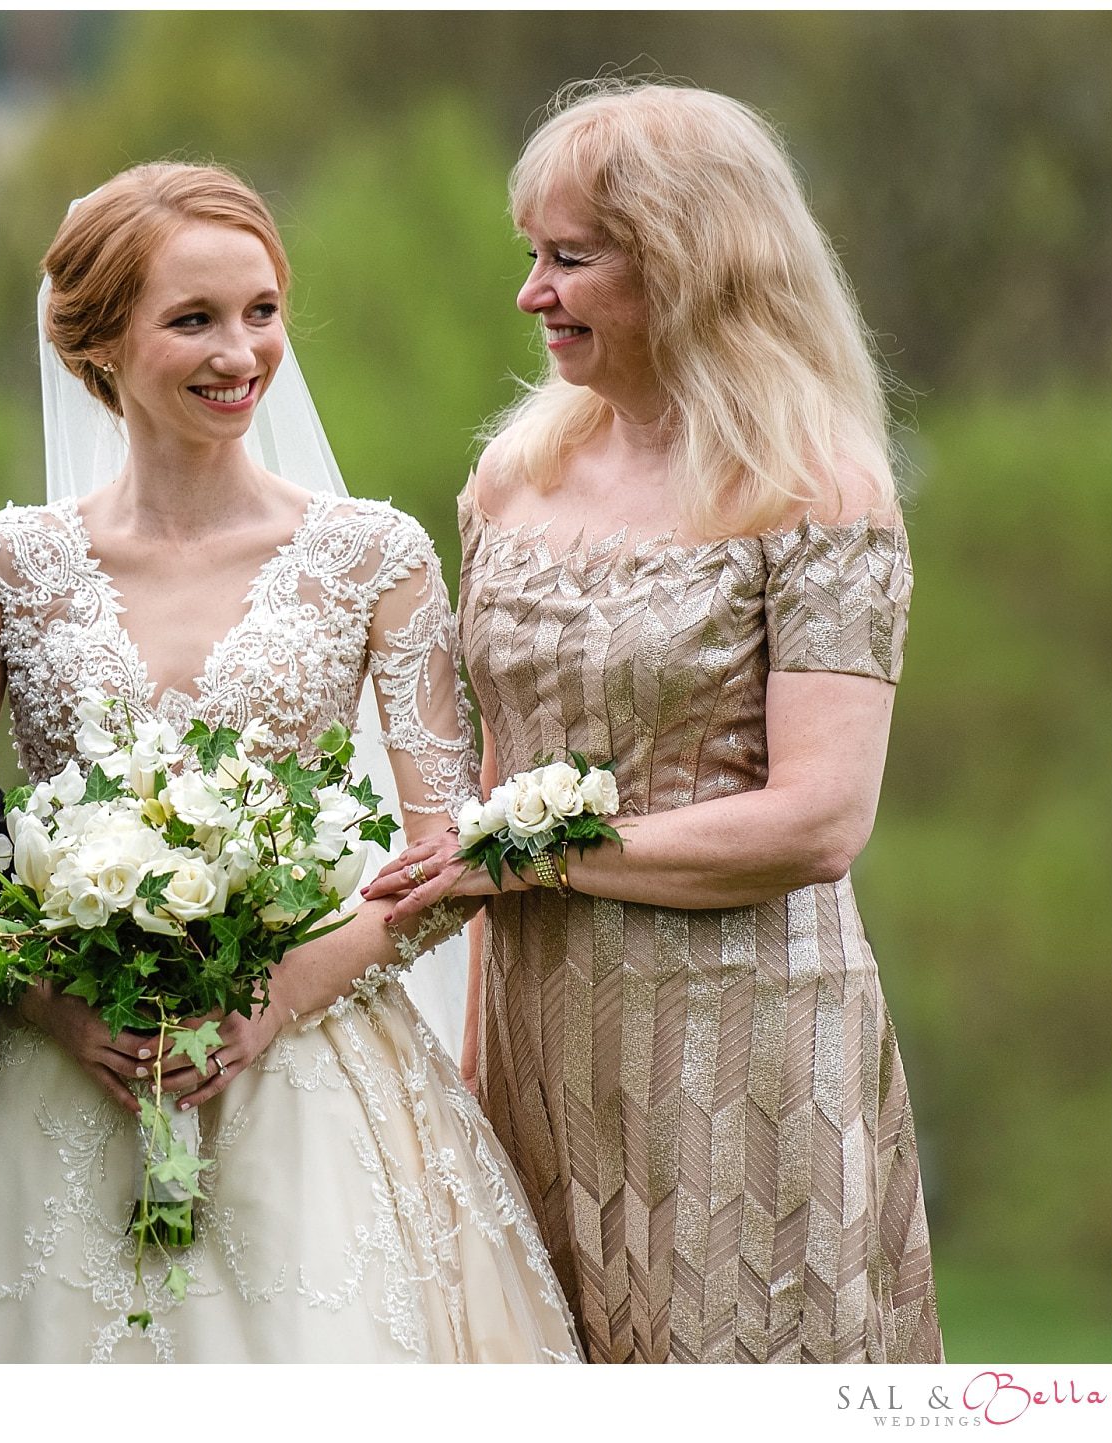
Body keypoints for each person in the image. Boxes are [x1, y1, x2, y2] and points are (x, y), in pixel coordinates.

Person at [0, 162, 580, 1363]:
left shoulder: (374, 557)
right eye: (193, 319)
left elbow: (443, 859)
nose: (239, 352)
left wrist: (267, 1005)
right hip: (71, 1074)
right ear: (98, 344)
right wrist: (54, 1005)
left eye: (259, 312)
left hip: (311, 1071)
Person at [368, 80, 941, 1364]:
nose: (532, 293)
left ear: (687, 263)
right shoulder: (512, 476)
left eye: (570, 259)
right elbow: (501, 766)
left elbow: (819, 820)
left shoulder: (818, 490)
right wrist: (471, 1054)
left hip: (744, 1039)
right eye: (532, 254)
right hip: (537, 1030)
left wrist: (533, 856)